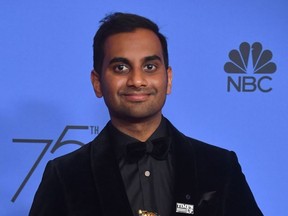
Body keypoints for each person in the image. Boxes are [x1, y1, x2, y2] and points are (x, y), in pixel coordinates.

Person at [29, 12, 263, 216]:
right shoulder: (65, 175)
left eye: (150, 67)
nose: (137, 80)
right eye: (121, 67)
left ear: (168, 79)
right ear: (97, 82)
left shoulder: (219, 166)